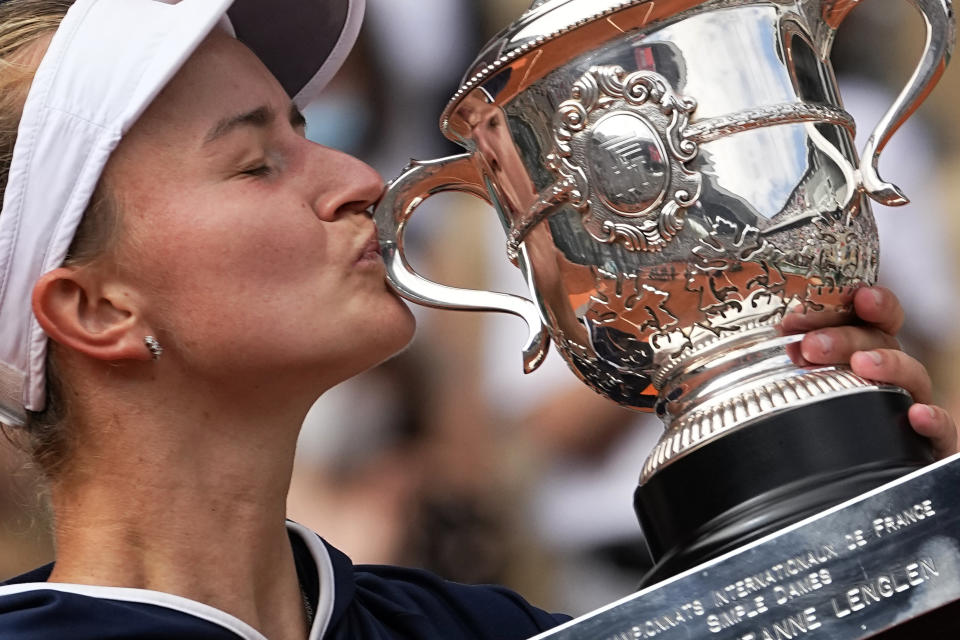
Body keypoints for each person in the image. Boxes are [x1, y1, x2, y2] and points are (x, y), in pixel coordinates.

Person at [0, 1, 955, 639]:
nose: (358, 179)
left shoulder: (475, 629)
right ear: (96, 308)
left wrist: (868, 534)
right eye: (256, 163)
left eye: (305, 127)